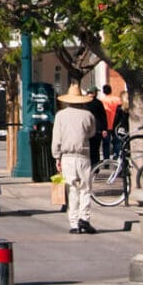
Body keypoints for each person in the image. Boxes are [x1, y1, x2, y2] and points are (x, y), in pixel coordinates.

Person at [52, 83, 98, 234]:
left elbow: (56, 138)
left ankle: (73, 223)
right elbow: (91, 133)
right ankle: (84, 218)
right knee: (85, 188)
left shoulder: (60, 115)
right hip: (83, 154)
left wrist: (56, 156)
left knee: (71, 189)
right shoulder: (88, 115)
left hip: (67, 156)